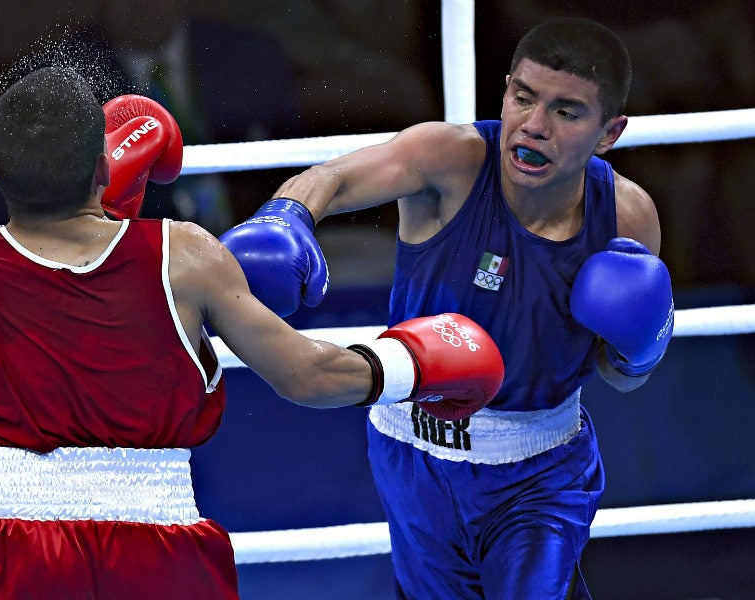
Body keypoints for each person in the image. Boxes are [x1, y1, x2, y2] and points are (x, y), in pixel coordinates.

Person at [0, 66, 505, 598]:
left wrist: (104, 200)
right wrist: (411, 363)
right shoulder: (182, 256)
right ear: (101, 167)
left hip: (9, 553)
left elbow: (58, 291)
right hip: (155, 551)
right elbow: (308, 375)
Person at [220, 17, 675, 599]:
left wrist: (640, 353)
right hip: (412, 457)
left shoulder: (626, 218)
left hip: (540, 474)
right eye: (524, 98)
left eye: (566, 112)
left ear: (609, 133)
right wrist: (286, 218)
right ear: (505, 91)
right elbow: (332, 178)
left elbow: (621, 375)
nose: (534, 126)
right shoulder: (450, 161)